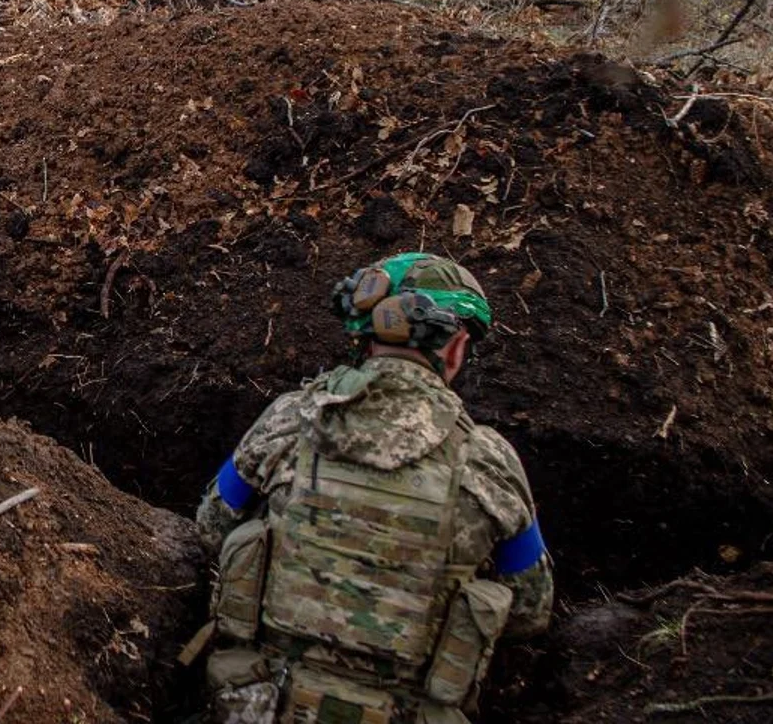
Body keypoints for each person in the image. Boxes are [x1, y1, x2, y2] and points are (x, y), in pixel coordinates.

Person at [195, 253, 553, 724]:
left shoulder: (289, 420)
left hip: (261, 706)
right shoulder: (489, 461)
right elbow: (531, 607)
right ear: (456, 348)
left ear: (362, 334)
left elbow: (212, 523)